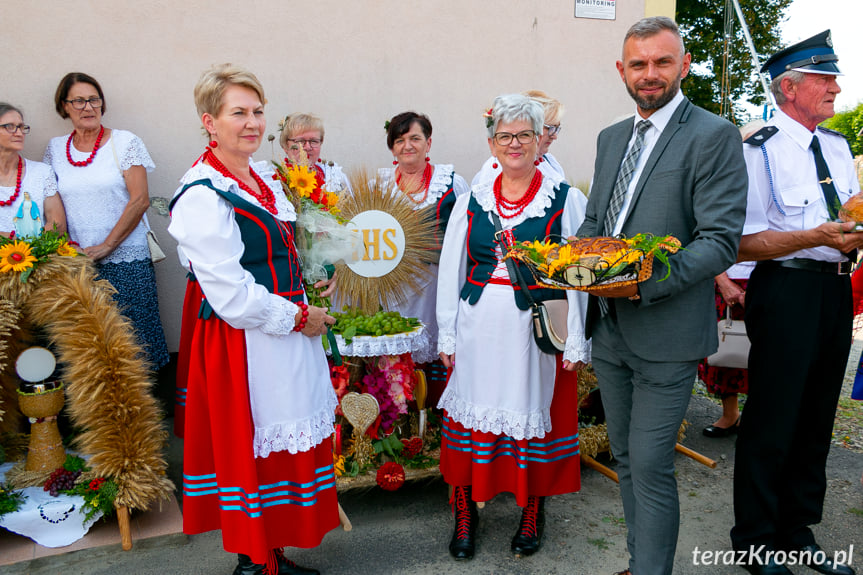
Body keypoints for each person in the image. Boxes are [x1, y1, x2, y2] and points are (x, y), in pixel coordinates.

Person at [576, 17, 747, 575]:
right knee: (625, 457)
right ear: (621, 69)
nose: (650, 74)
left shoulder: (712, 133)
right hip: (609, 332)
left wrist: (642, 282)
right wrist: (560, 265)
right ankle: (639, 562)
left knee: (649, 464)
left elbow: (719, 242)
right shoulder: (609, 138)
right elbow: (598, 223)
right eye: (639, 63)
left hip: (667, 333)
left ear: (684, 64)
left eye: (662, 61)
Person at [168, 63, 339, 575]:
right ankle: (254, 561)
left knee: (279, 447)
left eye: (258, 111)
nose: (251, 123)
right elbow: (233, 296)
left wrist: (315, 273)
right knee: (254, 443)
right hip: (246, 338)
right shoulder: (202, 194)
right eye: (237, 112)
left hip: (284, 323)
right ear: (209, 121)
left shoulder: (263, 176)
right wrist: (299, 316)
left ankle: (273, 552)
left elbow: (285, 246)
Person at [436, 93, 589, 561]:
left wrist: (577, 339)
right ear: (491, 143)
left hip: (535, 332)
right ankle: (466, 509)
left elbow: (579, 277)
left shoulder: (566, 199)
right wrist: (447, 331)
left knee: (532, 419)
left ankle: (531, 509)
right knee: (471, 418)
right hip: (479, 325)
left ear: (542, 138)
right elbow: (452, 267)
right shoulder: (473, 200)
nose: (515, 144)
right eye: (505, 136)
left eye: (526, 134)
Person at [732, 31, 862, 575]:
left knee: (817, 415)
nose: (836, 86)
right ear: (789, 87)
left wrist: (853, 236)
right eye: (824, 77)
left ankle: (798, 528)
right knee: (774, 415)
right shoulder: (756, 147)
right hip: (784, 289)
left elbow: (848, 221)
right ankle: (757, 539)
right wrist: (818, 237)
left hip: (834, 288)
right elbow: (745, 240)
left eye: (833, 76)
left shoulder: (835, 147)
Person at [43, 73, 169, 370]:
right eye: (78, 101)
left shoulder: (125, 142)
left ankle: (152, 410)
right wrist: (60, 252)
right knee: (92, 343)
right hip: (78, 263)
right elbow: (52, 206)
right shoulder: (55, 149)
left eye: (94, 99)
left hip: (127, 259)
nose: (88, 107)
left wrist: (107, 245)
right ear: (64, 106)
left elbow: (140, 200)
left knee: (138, 339)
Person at [376, 111, 469, 394]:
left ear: (428, 143)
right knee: (398, 349)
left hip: (437, 286)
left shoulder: (452, 184)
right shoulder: (377, 188)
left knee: (437, 343)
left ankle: (435, 416)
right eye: (400, 140)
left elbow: (466, 239)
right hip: (394, 289)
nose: (408, 146)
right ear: (392, 147)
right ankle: (401, 414)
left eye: (415, 138)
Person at [700, 120, 764, 439]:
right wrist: (724, 282)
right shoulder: (722, 183)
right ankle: (730, 415)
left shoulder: (774, 180)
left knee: (766, 353)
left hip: (767, 279)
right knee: (727, 349)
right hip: (729, 277)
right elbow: (705, 235)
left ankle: (760, 420)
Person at [472, 90, 566, 187]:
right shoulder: (501, 168)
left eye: (556, 129)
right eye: (551, 128)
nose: (555, 136)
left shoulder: (550, 162)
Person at [0, 103, 65, 238]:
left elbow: (57, 224)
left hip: (34, 256)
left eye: (21, 127)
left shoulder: (41, 173)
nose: (19, 133)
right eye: (10, 127)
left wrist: (26, 246)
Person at [279, 113, 350, 193]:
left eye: (314, 141)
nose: (308, 147)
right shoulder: (275, 181)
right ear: (285, 146)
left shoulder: (335, 176)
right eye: (300, 141)